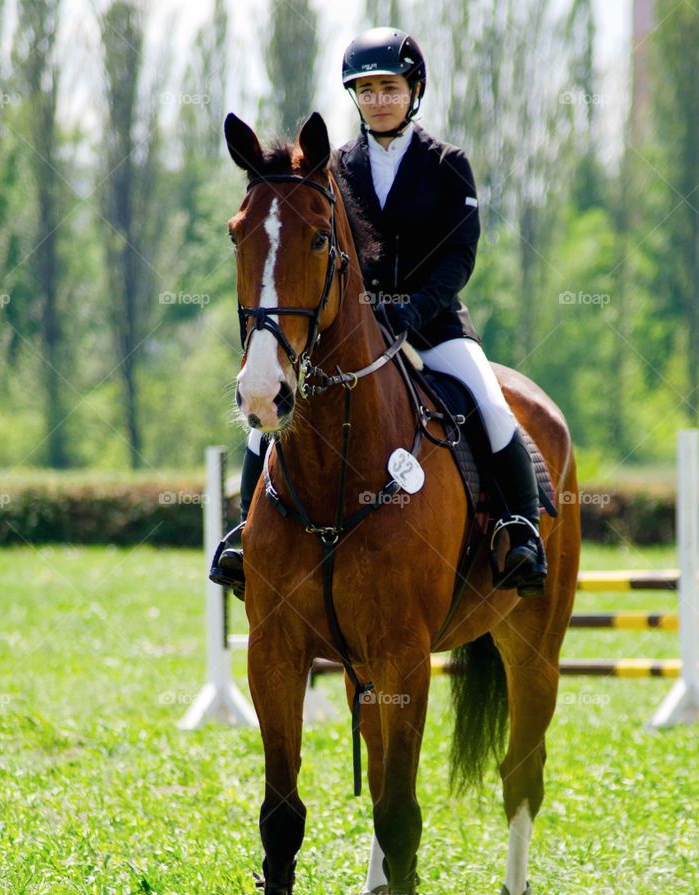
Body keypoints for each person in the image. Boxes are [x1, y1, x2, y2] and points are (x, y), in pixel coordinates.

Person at [212, 26, 547, 599]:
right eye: (365, 90)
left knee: (491, 403)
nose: (377, 100)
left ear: (413, 91)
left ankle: (522, 530)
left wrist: (415, 309)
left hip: (434, 323)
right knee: (268, 413)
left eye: (389, 88)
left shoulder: (447, 164)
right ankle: (247, 534)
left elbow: (459, 256)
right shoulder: (334, 167)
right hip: (349, 330)